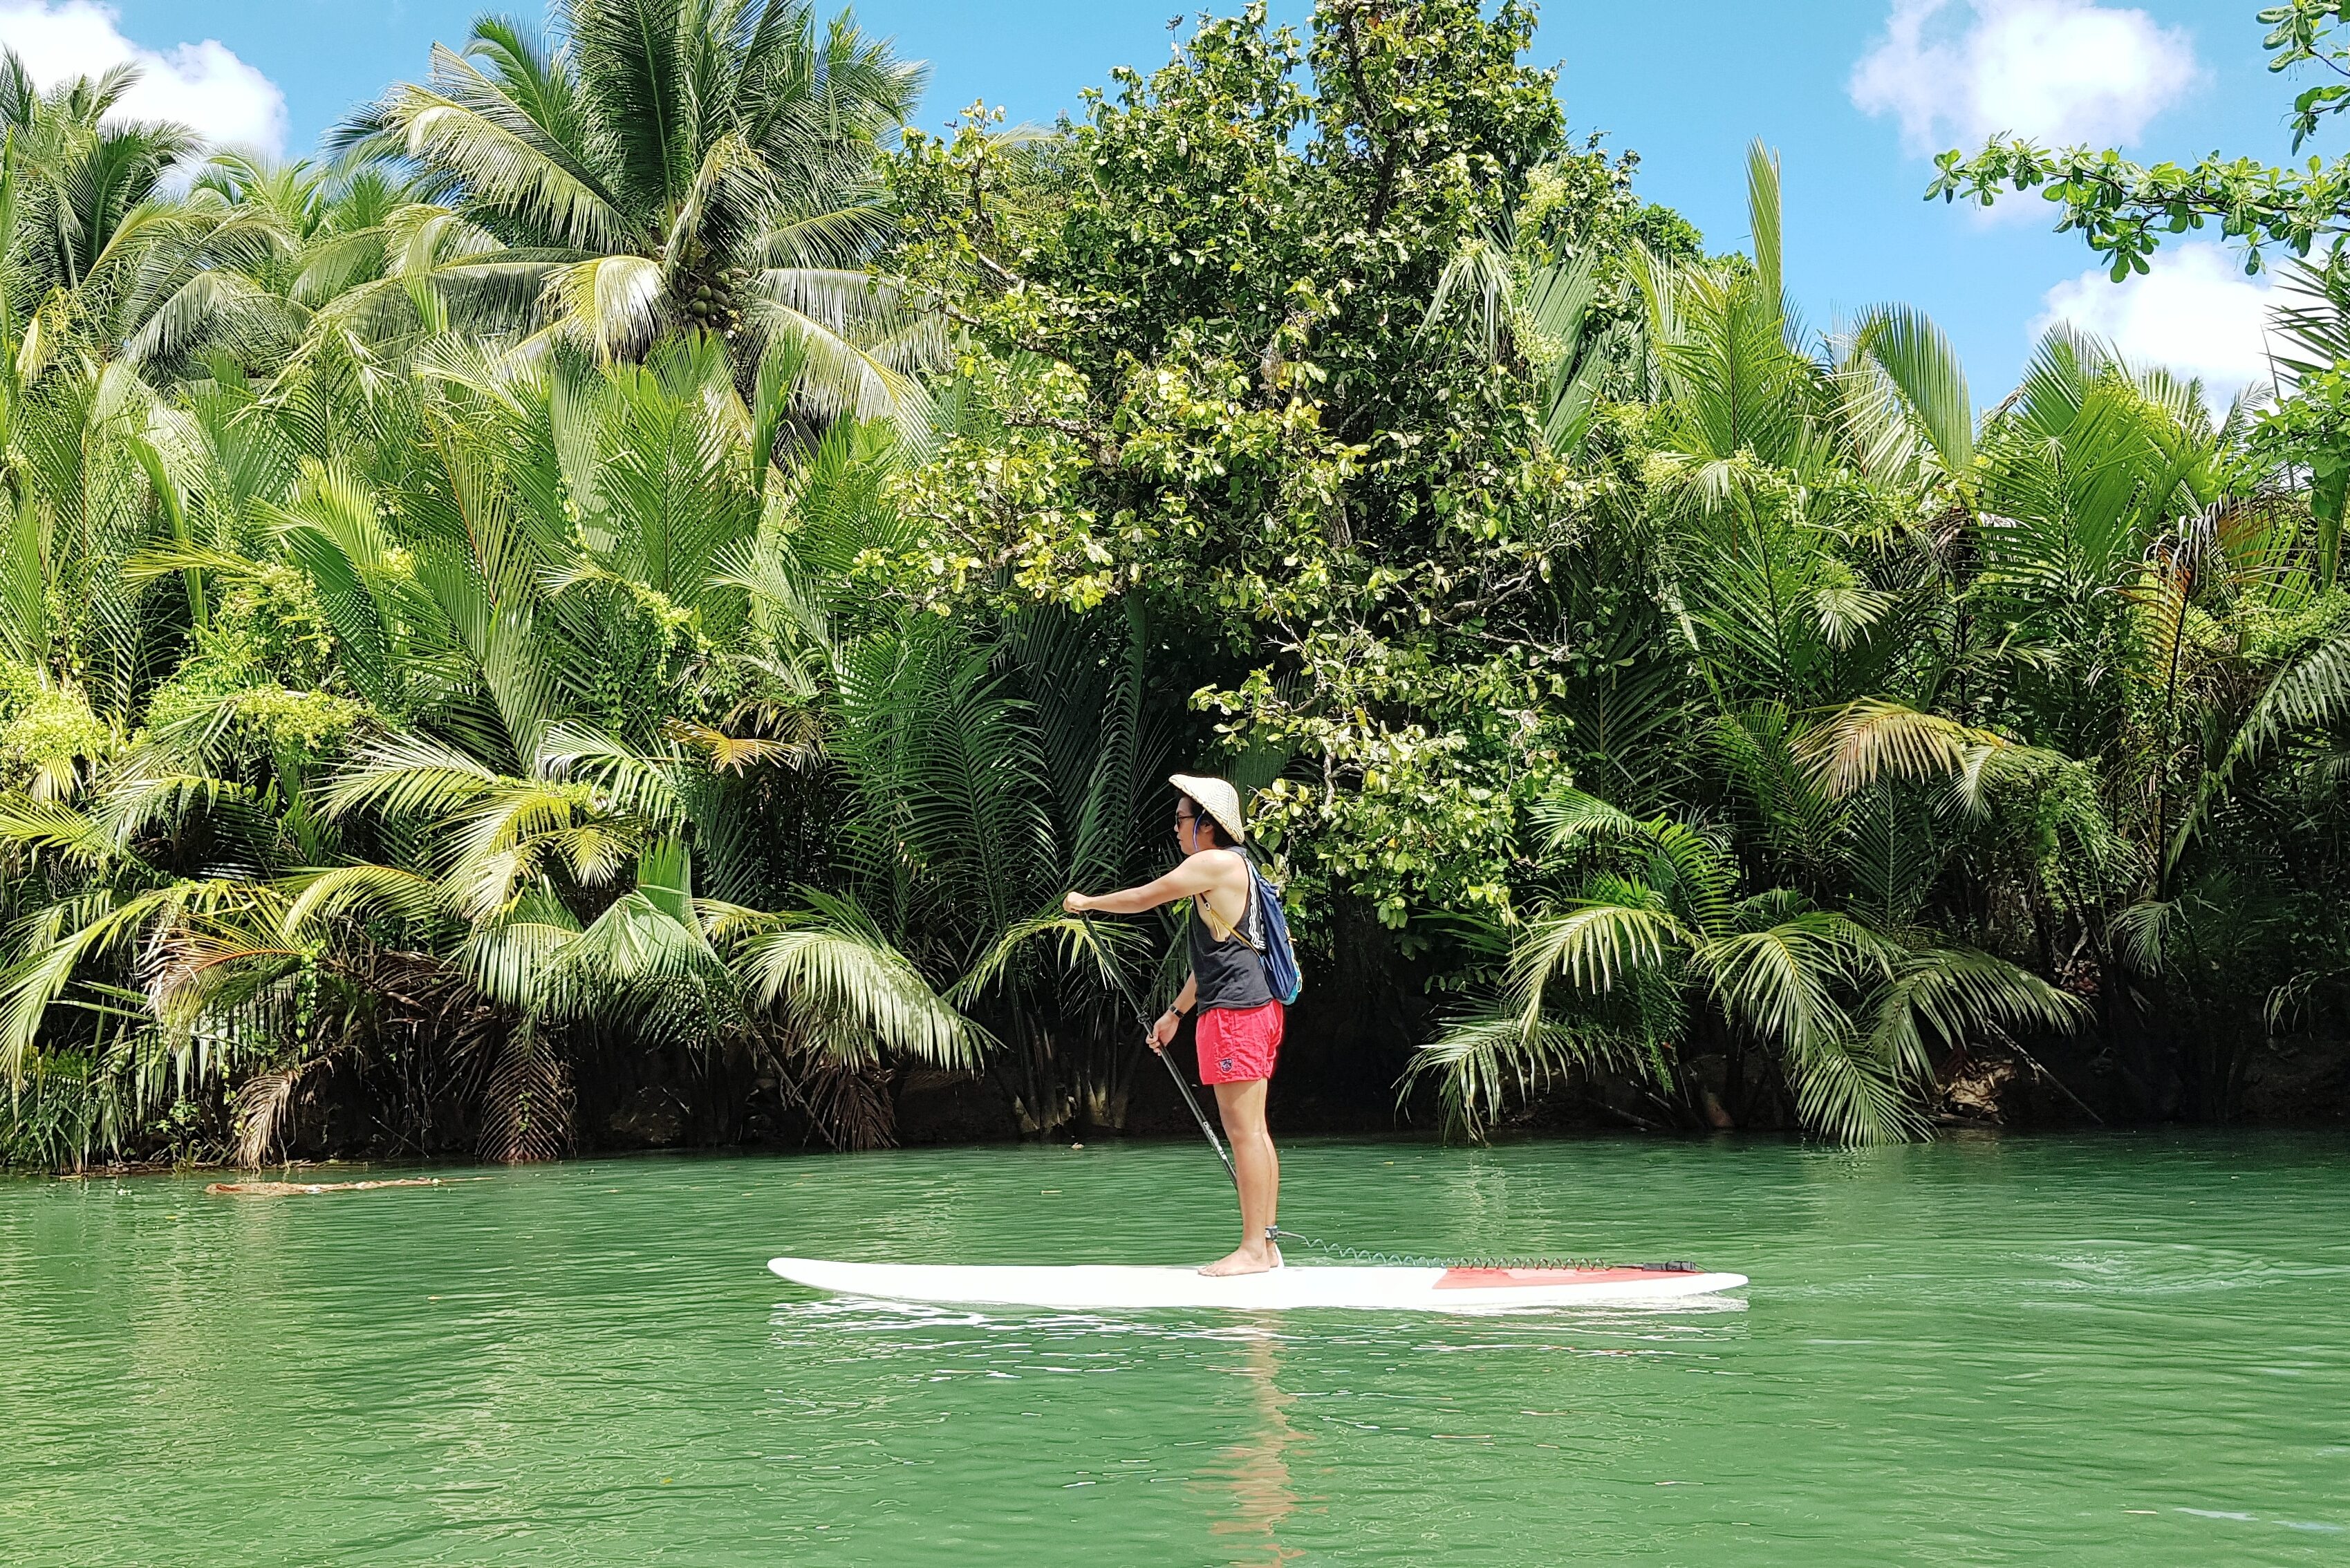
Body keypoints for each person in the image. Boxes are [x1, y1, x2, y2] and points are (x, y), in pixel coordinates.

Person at [1063, 774, 1285, 1276]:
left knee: (1246, 1133)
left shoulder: (1212, 863)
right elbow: (1217, 958)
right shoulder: (1234, 870)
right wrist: (1175, 1013)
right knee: (1254, 1131)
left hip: (1236, 1016)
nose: (1177, 828)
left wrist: (1088, 902)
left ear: (1207, 825)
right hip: (1249, 1011)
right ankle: (1264, 1246)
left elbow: (1144, 898)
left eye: (1182, 819)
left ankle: (1253, 1250)